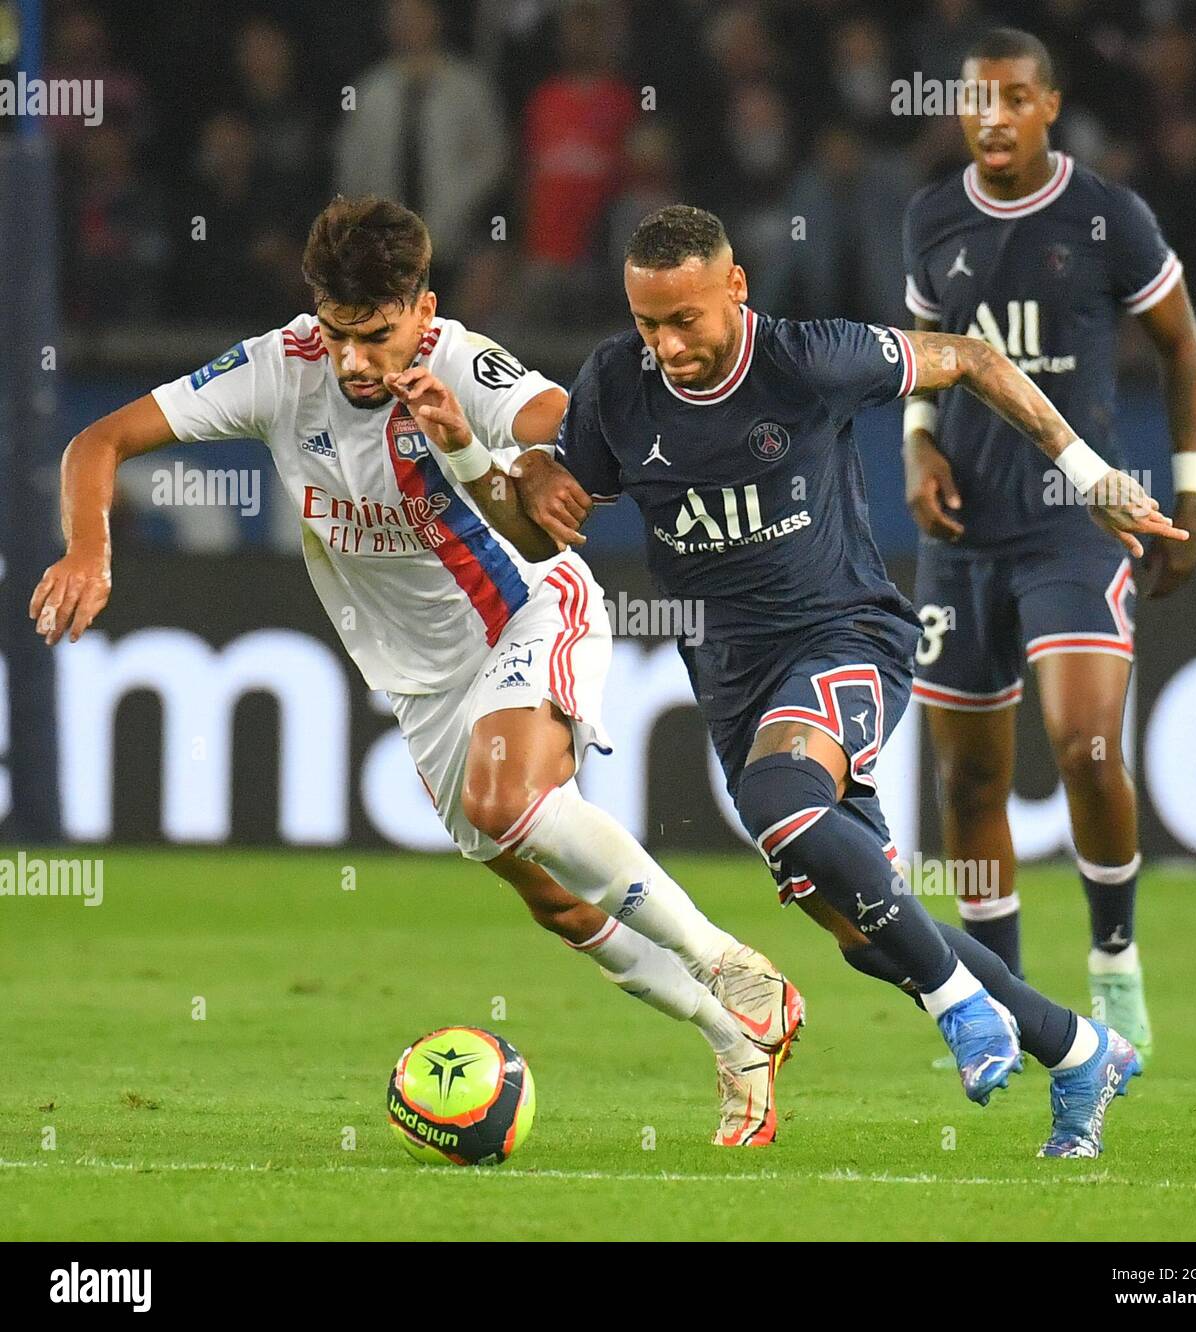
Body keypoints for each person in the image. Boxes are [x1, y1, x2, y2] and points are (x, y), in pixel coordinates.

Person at [29, 195, 803, 1149]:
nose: (355, 360)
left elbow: (565, 418)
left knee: (505, 799)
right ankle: (734, 1039)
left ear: (424, 311)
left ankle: (731, 964)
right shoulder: (278, 369)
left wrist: (537, 460)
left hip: (528, 613)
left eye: (378, 335)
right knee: (555, 899)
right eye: (338, 333)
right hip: (420, 684)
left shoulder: (460, 362)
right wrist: (89, 548)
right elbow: (98, 442)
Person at [505, 203, 1187, 1157]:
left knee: (778, 801)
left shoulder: (808, 359)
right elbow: (548, 517)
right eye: (648, 323)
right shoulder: (617, 383)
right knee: (868, 930)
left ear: (735, 288)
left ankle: (959, 1007)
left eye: (685, 320)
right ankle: (1078, 1049)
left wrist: (1085, 472)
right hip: (733, 680)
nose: (667, 346)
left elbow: (974, 360)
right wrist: (526, 473)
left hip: (844, 637)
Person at [901, 29, 1196, 1056]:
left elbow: (1181, 345)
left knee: (1085, 744)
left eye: (1012, 98)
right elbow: (925, 356)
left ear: (1048, 107)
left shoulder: (1107, 216)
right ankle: (1000, 1002)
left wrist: (1194, 496)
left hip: (1073, 529)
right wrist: (916, 446)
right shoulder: (931, 216)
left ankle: (1114, 961)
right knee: (966, 782)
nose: (991, 117)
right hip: (962, 537)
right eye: (974, 100)